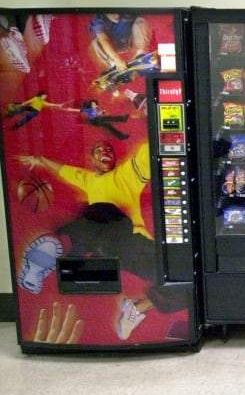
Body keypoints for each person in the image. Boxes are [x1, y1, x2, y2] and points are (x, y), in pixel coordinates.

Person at [18, 140, 190, 340]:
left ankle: (138, 308)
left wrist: (162, 130)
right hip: (107, 241)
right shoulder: (88, 179)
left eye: (108, 149)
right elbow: (64, 170)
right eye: (98, 150)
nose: (104, 152)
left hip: (134, 244)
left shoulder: (127, 174)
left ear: (114, 157)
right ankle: (52, 253)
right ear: (92, 160)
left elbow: (146, 153)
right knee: (101, 211)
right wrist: (39, 160)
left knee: (185, 279)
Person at [64, 99, 130, 139]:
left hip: (97, 118)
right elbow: (79, 110)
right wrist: (70, 109)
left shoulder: (96, 109)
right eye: (93, 105)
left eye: (95, 104)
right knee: (108, 125)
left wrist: (102, 112)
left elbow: (98, 113)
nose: (94, 106)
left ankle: (122, 119)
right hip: (94, 121)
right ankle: (120, 135)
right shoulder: (89, 110)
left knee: (108, 118)